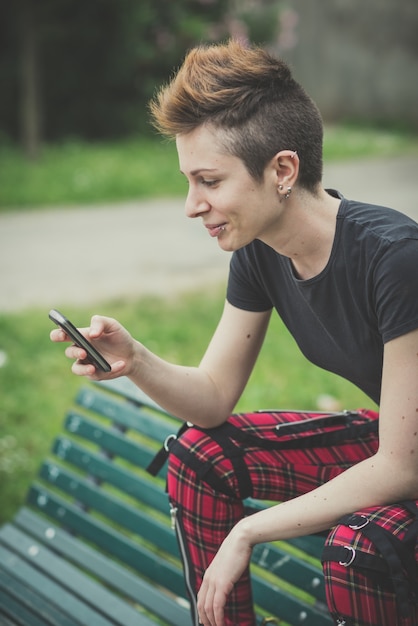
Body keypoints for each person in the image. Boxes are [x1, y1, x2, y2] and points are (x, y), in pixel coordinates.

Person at [50, 40, 418, 626]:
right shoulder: (260, 251)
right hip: (404, 442)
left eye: (209, 181)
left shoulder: (395, 258)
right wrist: (136, 360)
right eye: (188, 182)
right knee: (200, 456)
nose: (192, 205)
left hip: (408, 452)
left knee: (360, 545)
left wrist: (249, 530)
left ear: (282, 170)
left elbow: (403, 465)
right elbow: (213, 399)